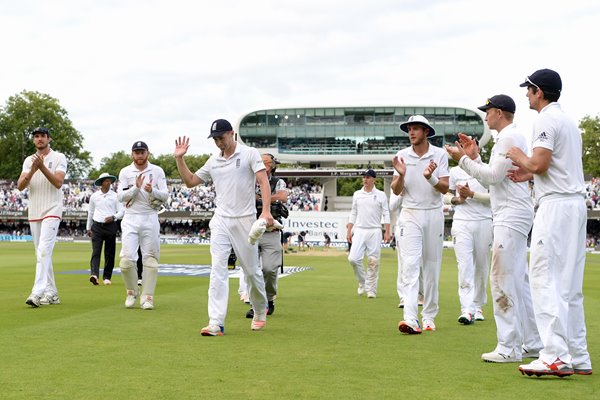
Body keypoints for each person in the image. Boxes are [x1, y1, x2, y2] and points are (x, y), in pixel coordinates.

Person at [506, 69, 592, 377]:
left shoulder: (544, 120)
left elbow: (540, 162)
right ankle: (579, 355)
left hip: (555, 207)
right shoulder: (568, 122)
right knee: (569, 285)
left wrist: (519, 157)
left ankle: (555, 355)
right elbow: (554, 167)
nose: (526, 95)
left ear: (539, 91)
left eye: (529, 89)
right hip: (573, 205)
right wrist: (528, 173)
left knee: (544, 279)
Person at [445, 94, 541, 363]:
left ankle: (508, 346)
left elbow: (492, 178)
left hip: (509, 215)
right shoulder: (510, 138)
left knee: (500, 279)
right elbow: (495, 174)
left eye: (488, 111)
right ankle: (532, 343)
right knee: (519, 282)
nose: (485, 116)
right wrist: (474, 155)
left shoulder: (509, 138)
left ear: (499, 112)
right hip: (513, 212)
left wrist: (463, 160)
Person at [174, 119, 274, 336]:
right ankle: (216, 322)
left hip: (245, 219)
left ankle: (259, 309)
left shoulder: (249, 153)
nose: (218, 142)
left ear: (231, 134)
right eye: (215, 139)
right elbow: (191, 181)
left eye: (221, 137)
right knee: (217, 269)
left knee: (251, 272)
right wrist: (180, 159)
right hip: (220, 220)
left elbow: (263, 182)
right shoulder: (213, 161)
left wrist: (265, 212)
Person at [392, 115, 449, 334]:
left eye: (416, 129)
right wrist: (400, 175)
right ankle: (410, 318)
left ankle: (429, 316)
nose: (411, 133)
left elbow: (444, 187)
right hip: (410, 213)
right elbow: (397, 191)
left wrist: (430, 177)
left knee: (431, 266)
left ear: (426, 131)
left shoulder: (440, 155)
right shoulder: (401, 156)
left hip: (433, 213)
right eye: (409, 129)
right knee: (410, 265)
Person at [18, 127, 67, 307]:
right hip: (34, 211)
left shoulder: (59, 157)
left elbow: (58, 183)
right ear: (33, 140)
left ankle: (36, 292)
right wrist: (32, 170)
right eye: (36, 136)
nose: (39, 139)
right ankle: (52, 293)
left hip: (52, 209)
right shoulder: (28, 160)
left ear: (49, 139)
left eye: (42, 136)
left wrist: (43, 167)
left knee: (44, 250)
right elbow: (20, 186)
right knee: (42, 253)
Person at [116, 141, 168, 310]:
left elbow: (165, 196)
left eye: (142, 152)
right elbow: (120, 197)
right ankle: (132, 292)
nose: (139, 155)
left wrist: (152, 191)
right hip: (130, 218)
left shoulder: (157, 170)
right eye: (136, 152)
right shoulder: (125, 172)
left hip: (150, 217)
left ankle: (147, 297)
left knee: (151, 260)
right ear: (132, 154)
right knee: (126, 261)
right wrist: (136, 188)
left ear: (148, 153)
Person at [446, 160, 493, 325]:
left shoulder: (487, 168)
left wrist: (471, 194)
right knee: (464, 265)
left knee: (481, 265)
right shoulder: (455, 171)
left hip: (484, 221)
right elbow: (446, 195)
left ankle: (478, 306)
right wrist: (458, 199)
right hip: (461, 222)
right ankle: (466, 309)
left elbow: (494, 197)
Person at [245, 153, 288, 318]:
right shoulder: (248, 178)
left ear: (272, 166)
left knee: (269, 269)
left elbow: (283, 196)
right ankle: (257, 305)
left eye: (267, 163)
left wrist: (261, 198)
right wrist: (269, 199)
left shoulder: (278, 182)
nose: (263, 166)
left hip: (270, 231)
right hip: (250, 230)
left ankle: (269, 299)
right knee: (251, 270)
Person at [346, 169, 391, 299]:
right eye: (364, 177)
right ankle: (362, 281)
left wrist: (387, 231)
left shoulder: (381, 194)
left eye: (368, 177)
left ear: (374, 179)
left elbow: (386, 213)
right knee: (353, 259)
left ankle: (371, 290)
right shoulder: (357, 194)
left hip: (375, 230)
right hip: (359, 230)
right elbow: (353, 212)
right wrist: (349, 230)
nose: (365, 179)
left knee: (373, 261)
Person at [86, 172, 124, 286]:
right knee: (96, 252)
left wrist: (113, 217)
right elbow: (91, 212)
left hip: (111, 226)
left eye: (110, 181)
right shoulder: (94, 196)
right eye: (106, 181)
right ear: (102, 182)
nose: (109, 183)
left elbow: (121, 212)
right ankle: (94, 275)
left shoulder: (116, 196)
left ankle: (107, 277)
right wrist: (88, 227)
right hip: (97, 226)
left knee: (109, 253)